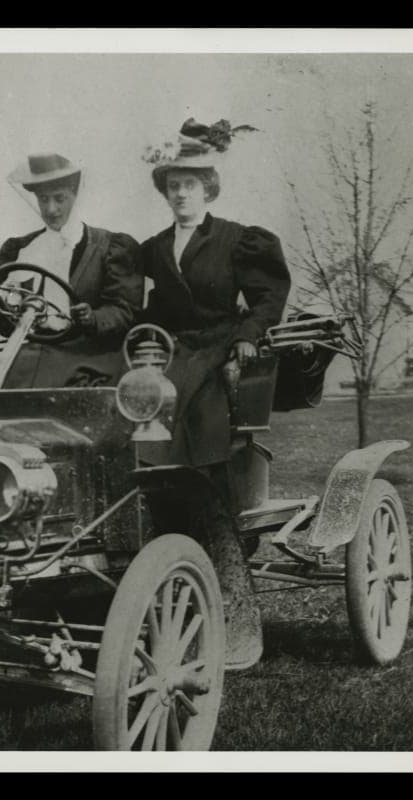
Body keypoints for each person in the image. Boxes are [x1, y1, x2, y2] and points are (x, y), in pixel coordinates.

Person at [140, 118, 291, 669]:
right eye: (172, 185)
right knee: (139, 418)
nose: (181, 193)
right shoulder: (154, 249)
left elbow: (268, 298)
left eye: (190, 184)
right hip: (173, 352)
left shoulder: (237, 238)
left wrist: (248, 336)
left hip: (219, 347)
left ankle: (217, 548)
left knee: (201, 430)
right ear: (165, 192)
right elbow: (151, 310)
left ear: (208, 188)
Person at [0, 153, 142, 387]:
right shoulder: (23, 250)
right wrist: (1, 312)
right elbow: (13, 321)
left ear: (75, 195)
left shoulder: (109, 247)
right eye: (43, 199)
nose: (51, 209)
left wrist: (93, 318)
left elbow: (124, 310)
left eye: (59, 198)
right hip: (33, 353)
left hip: (88, 356)